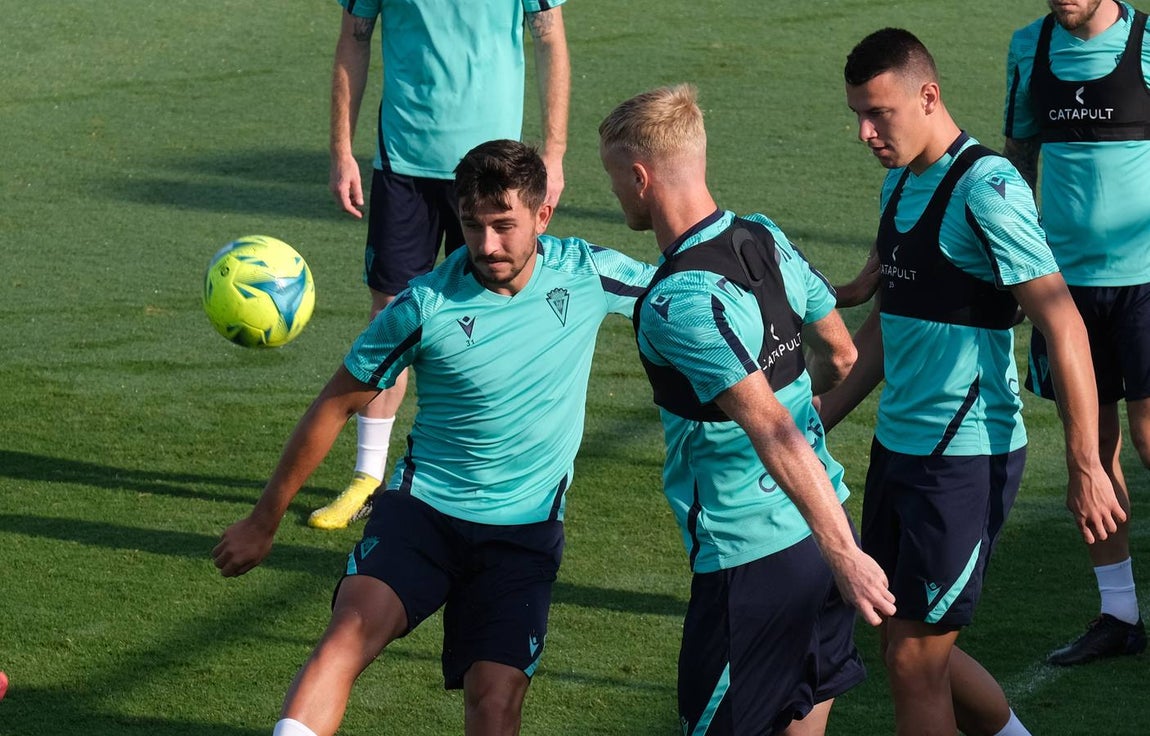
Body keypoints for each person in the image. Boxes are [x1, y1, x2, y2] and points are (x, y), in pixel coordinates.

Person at [212, 140, 654, 736]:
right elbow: (335, 404)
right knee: (346, 639)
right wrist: (265, 519)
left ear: (542, 216)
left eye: (505, 226)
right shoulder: (425, 303)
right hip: (422, 516)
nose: (488, 244)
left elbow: (688, 294)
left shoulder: (586, 272)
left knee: (495, 700)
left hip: (522, 536)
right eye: (473, 227)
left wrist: (813, 300)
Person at [818, 28, 1126, 736]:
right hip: (900, 449)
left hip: (964, 460)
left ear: (928, 96)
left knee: (913, 665)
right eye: (857, 116)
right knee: (900, 634)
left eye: (878, 113)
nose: (865, 133)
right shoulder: (900, 181)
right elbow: (889, 320)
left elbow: (1065, 326)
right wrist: (818, 418)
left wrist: (1085, 465)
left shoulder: (988, 190)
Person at [599, 84, 896, 736]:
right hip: (822, 538)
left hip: (752, 565)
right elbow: (841, 357)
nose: (615, 193)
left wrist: (842, 551)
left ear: (641, 176)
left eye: (615, 177)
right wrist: (837, 545)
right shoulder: (762, 236)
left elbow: (773, 428)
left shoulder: (679, 304)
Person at [312, 0, 571, 529]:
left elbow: (550, 39)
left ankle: (501, 467)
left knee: (500, 310)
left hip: (492, 170)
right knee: (389, 319)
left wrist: (556, 153)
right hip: (404, 164)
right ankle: (367, 476)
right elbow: (353, 40)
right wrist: (342, 149)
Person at [1003, 0, 1149, 666]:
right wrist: (1013, 262)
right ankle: (1118, 616)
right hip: (1062, 290)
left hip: (1147, 281)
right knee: (1091, 449)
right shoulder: (1028, 47)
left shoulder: (1147, 40)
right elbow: (1018, 155)